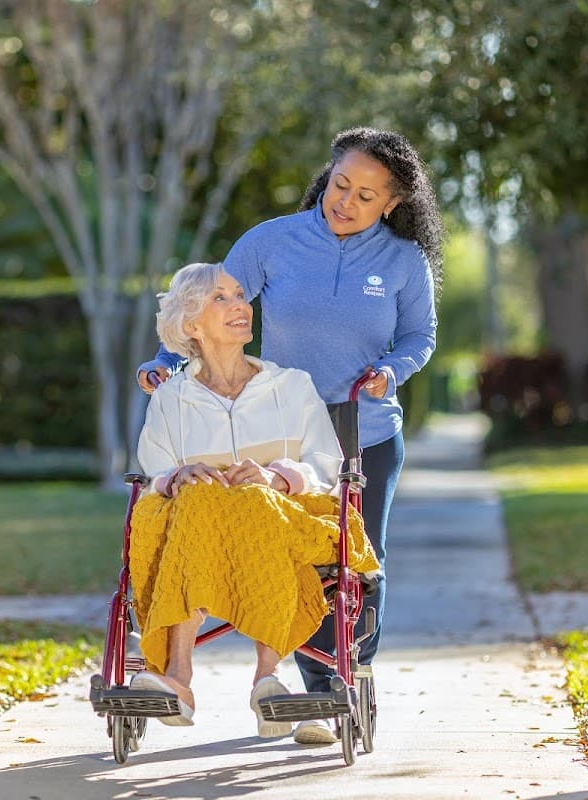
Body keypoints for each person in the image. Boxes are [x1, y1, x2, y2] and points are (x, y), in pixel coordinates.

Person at [136, 126, 444, 744]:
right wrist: (171, 365)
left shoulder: (403, 262)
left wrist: (391, 370)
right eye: (340, 184)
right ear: (326, 178)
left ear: (391, 204)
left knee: (357, 561)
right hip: (276, 422)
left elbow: (419, 337)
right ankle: (316, 694)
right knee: (291, 546)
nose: (346, 201)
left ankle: (343, 673)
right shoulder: (271, 241)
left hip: (365, 427)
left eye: (365, 195)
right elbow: (211, 307)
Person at [129, 261, 379, 737]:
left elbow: (328, 465)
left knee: (253, 500)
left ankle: (269, 675)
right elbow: (153, 474)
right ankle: (178, 678)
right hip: (199, 528)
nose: (239, 305)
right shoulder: (171, 400)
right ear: (190, 325)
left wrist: (277, 478)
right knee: (199, 493)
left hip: (286, 517)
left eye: (240, 295)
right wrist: (178, 475)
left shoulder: (292, 386)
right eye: (219, 298)